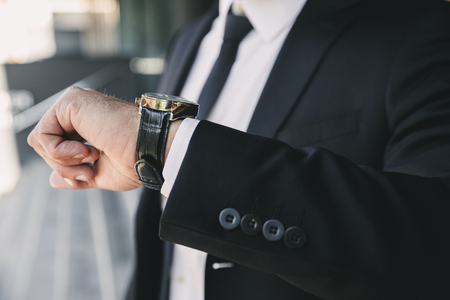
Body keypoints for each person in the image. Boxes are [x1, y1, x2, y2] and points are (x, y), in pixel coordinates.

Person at [28, 0, 450, 299]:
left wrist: (161, 143)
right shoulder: (190, 38)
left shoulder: (420, 31)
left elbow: (431, 243)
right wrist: (154, 158)